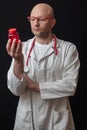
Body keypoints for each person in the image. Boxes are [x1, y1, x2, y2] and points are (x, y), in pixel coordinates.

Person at [6, 3, 80, 130]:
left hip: (57, 120)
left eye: (41, 19)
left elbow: (70, 86)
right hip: (28, 119)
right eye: (32, 19)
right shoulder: (21, 49)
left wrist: (33, 85)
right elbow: (15, 90)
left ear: (52, 22)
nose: (35, 24)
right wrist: (18, 61)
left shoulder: (68, 49)